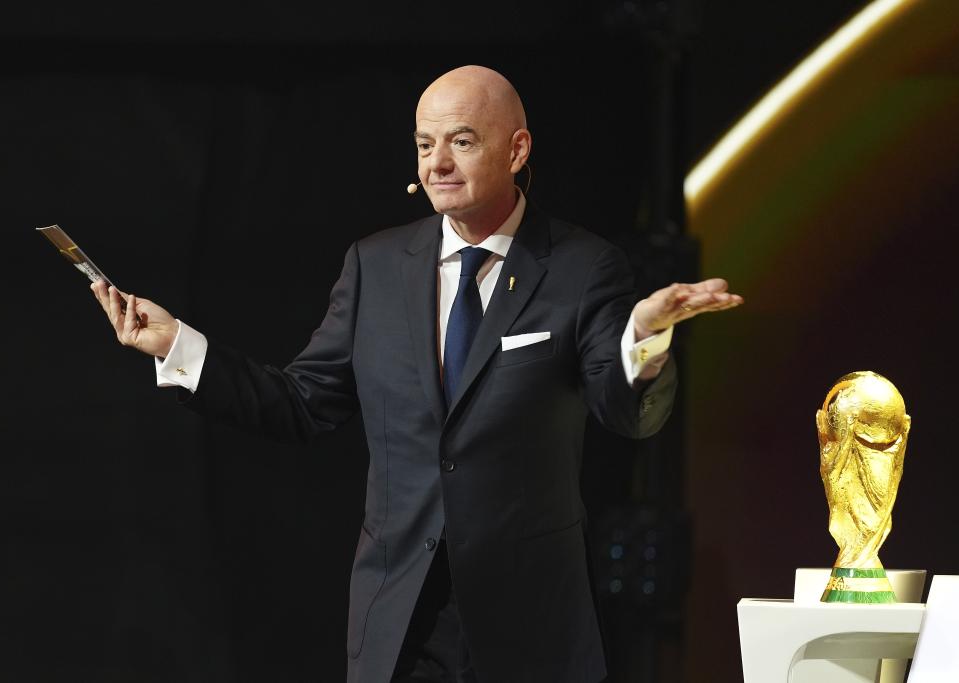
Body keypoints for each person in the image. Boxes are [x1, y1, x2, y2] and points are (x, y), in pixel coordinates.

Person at [91, 65, 742, 683]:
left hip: (530, 627)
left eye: (462, 141)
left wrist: (645, 336)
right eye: (425, 144)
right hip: (401, 624)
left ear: (517, 150)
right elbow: (301, 402)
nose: (437, 163)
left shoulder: (581, 266)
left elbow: (623, 408)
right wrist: (180, 346)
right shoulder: (374, 265)